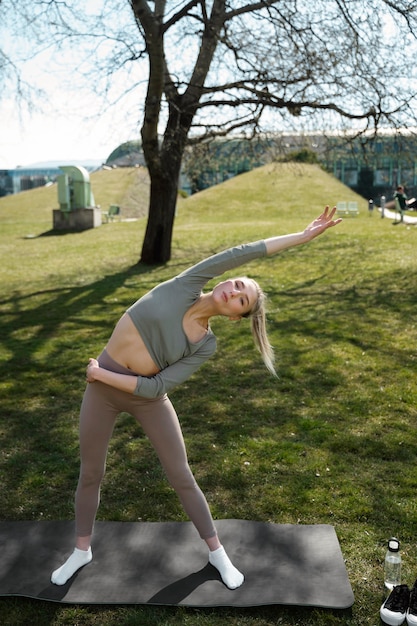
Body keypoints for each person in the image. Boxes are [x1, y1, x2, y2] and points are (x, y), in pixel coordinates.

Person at [51, 206, 342, 590]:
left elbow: (155, 388)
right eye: (238, 284)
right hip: (101, 393)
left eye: (242, 299)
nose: (235, 290)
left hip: (139, 393)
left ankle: (217, 554)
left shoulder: (205, 345)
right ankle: (82, 550)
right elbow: (244, 252)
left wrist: (99, 373)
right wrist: (301, 237)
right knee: (91, 473)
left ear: (237, 316)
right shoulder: (186, 283)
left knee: (181, 476)